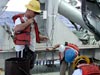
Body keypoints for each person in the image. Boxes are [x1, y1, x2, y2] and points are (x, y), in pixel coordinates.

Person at [12, 0, 48, 69]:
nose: (35, 15)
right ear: (29, 10)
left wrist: (41, 37)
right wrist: (28, 23)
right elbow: (16, 29)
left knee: (28, 68)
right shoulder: (19, 20)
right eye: (34, 12)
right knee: (21, 69)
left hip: (31, 50)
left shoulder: (33, 22)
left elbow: (32, 35)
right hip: (22, 50)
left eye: (36, 13)